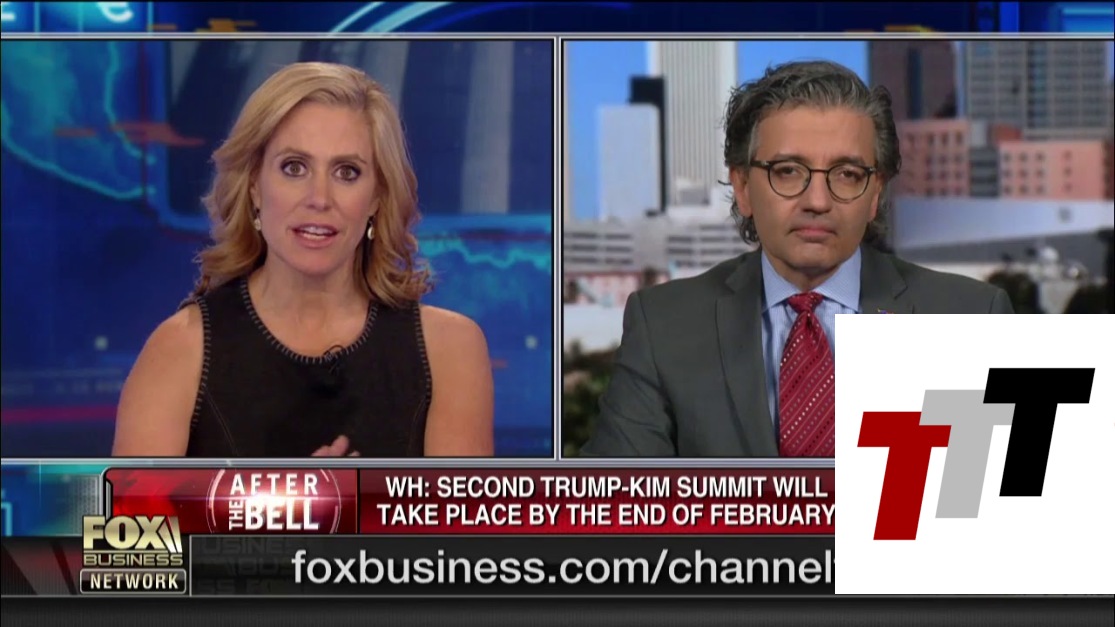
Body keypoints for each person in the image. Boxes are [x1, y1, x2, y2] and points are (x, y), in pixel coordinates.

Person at [582, 60, 1013, 458]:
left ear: (875, 193)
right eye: (787, 171)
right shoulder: (663, 326)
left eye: (847, 174)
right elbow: (617, 503)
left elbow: (1006, 503)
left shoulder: (973, 319)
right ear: (743, 187)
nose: (818, 201)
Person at [113, 62, 494, 457]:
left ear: (377, 197)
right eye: (294, 168)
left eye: (347, 172)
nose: (319, 198)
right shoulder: (180, 350)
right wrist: (295, 495)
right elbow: (131, 502)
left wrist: (358, 497)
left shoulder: (449, 351)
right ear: (254, 185)